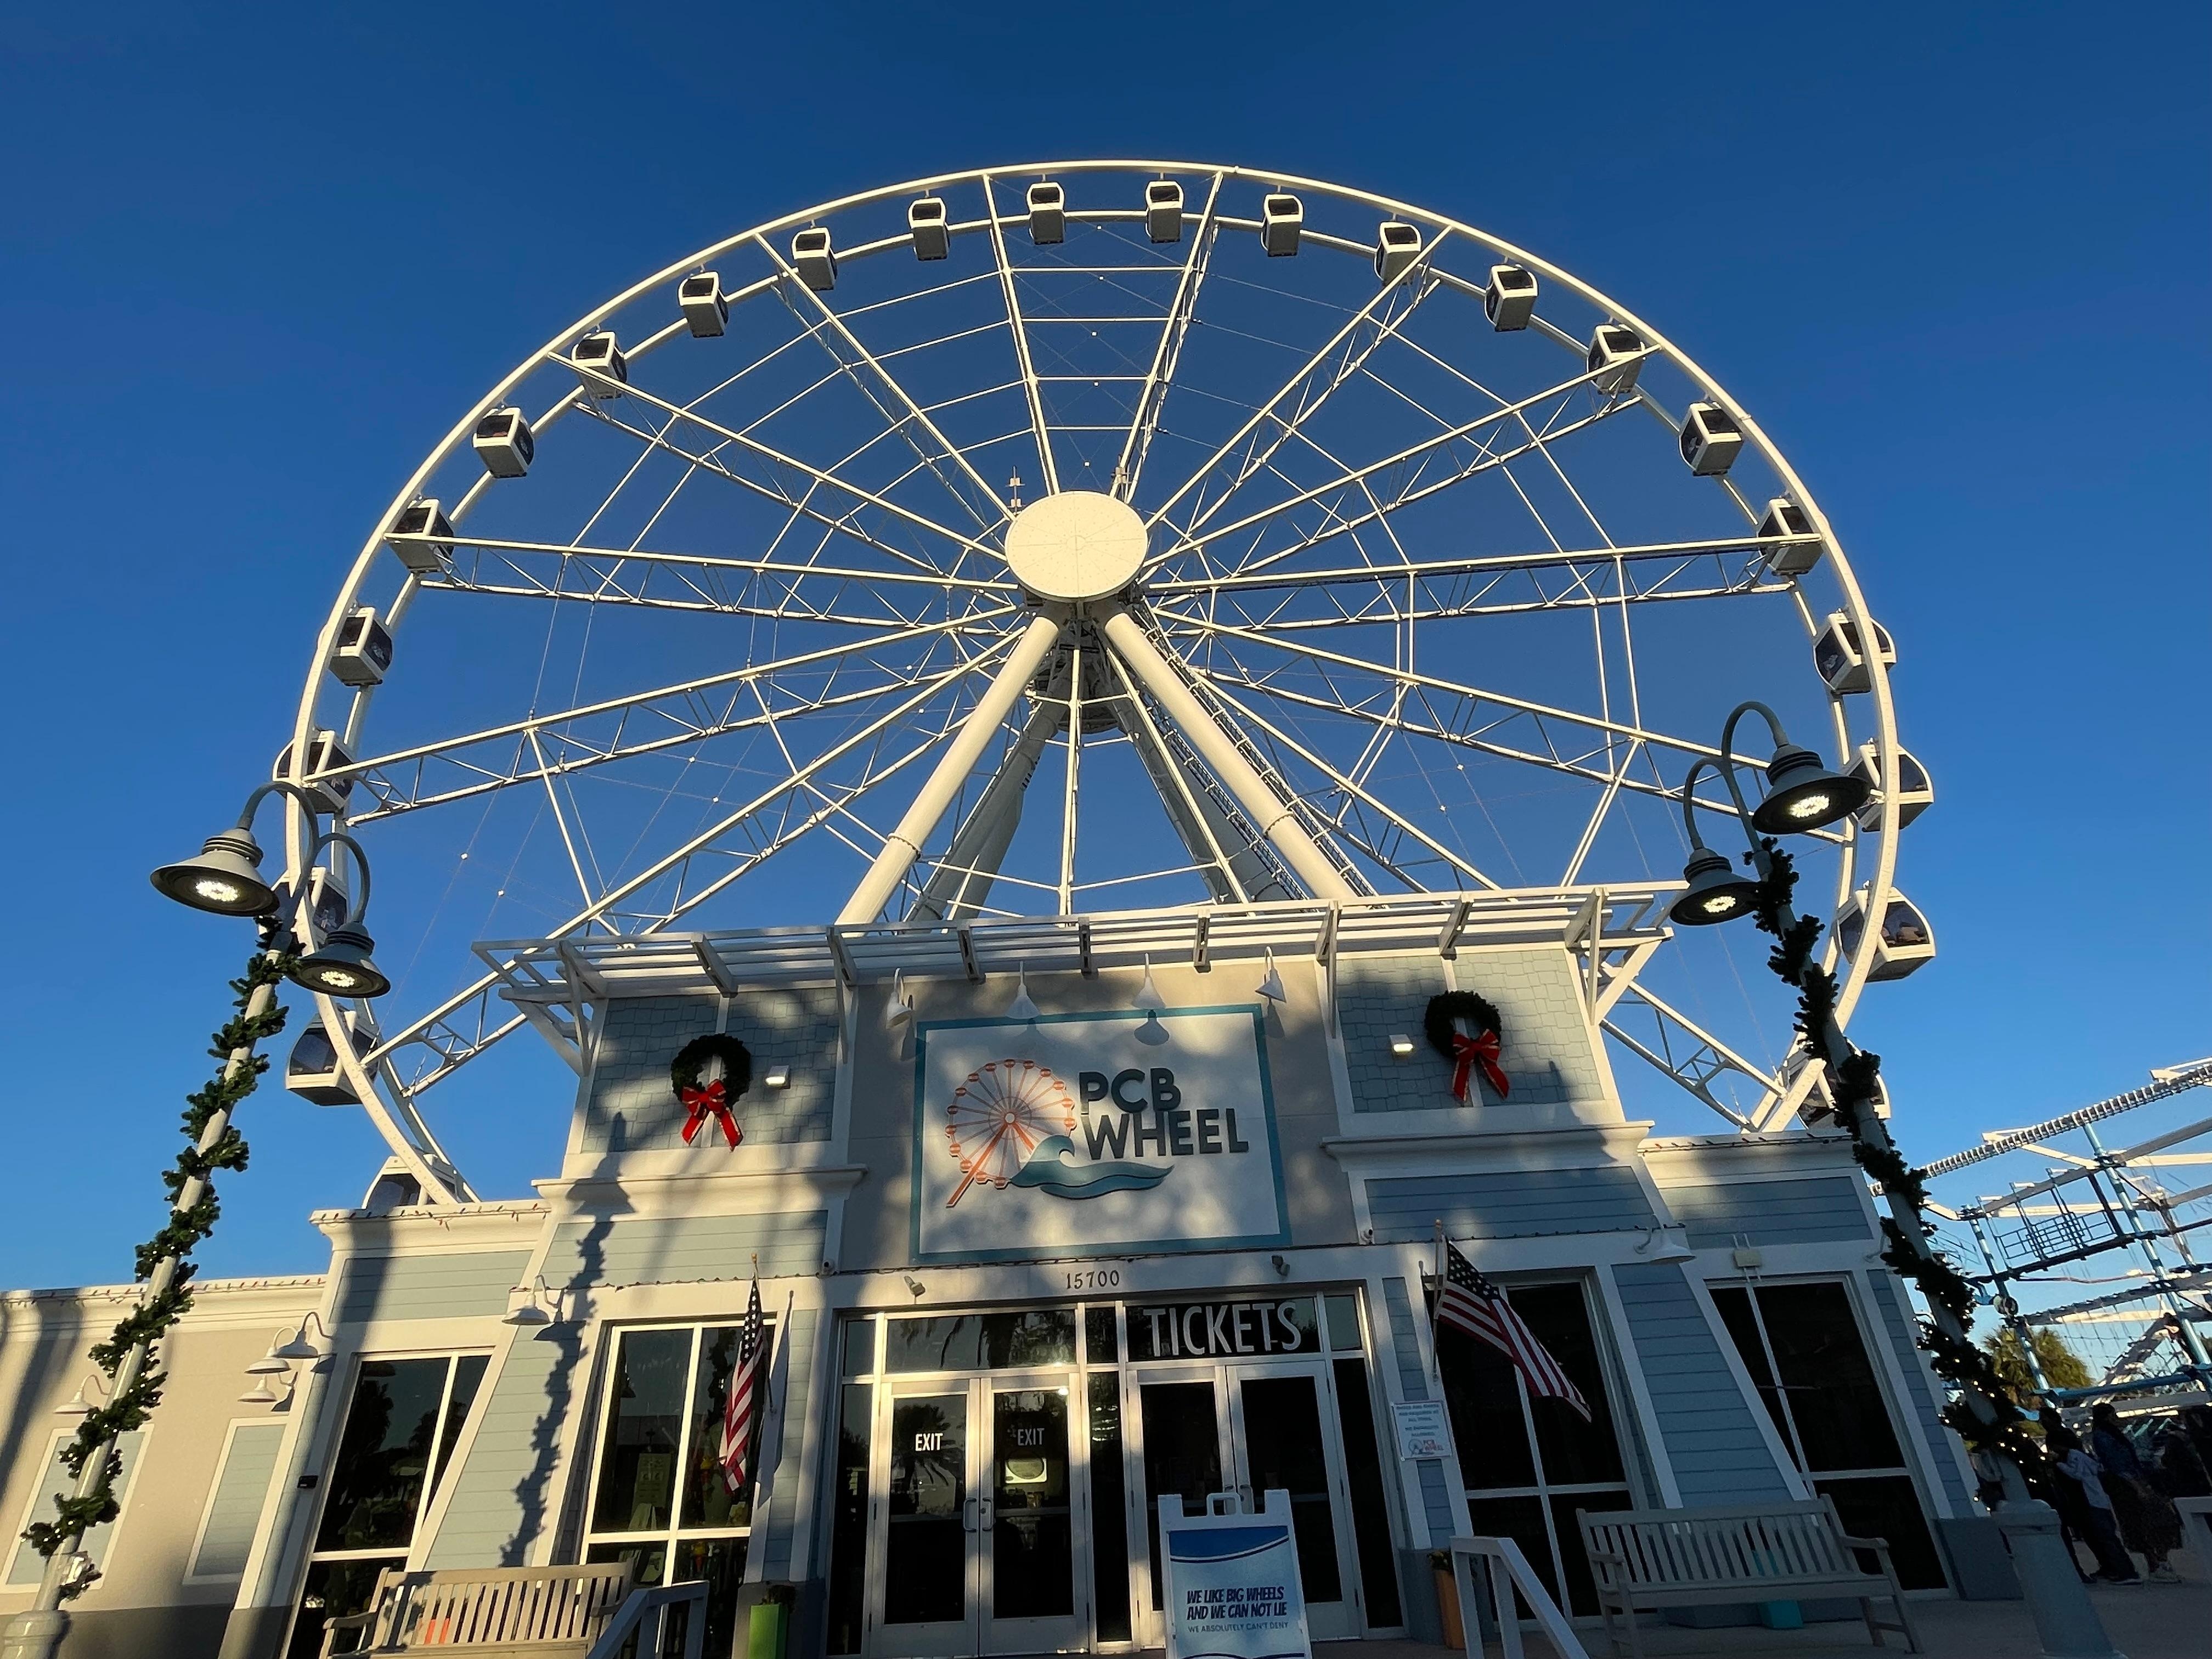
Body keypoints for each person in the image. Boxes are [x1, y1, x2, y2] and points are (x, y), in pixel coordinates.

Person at [2090, 1403, 2184, 1583]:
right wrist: (2138, 1486)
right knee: (2145, 1522)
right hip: (2128, 1485)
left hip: (2133, 1481)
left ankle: (2158, 1562)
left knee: (2151, 1521)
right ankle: (2156, 1564)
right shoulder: (2104, 1437)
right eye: (2113, 1415)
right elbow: (2117, 1464)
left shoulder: (2109, 1435)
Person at [2049, 1425, 2141, 1583]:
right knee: (2104, 1537)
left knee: (2107, 1537)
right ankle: (2118, 1569)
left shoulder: (2074, 1458)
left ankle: (2125, 1572)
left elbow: (2078, 1475)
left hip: (2093, 1500)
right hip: (2094, 1500)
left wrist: (2059, 1465)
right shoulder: (2080, 1456)